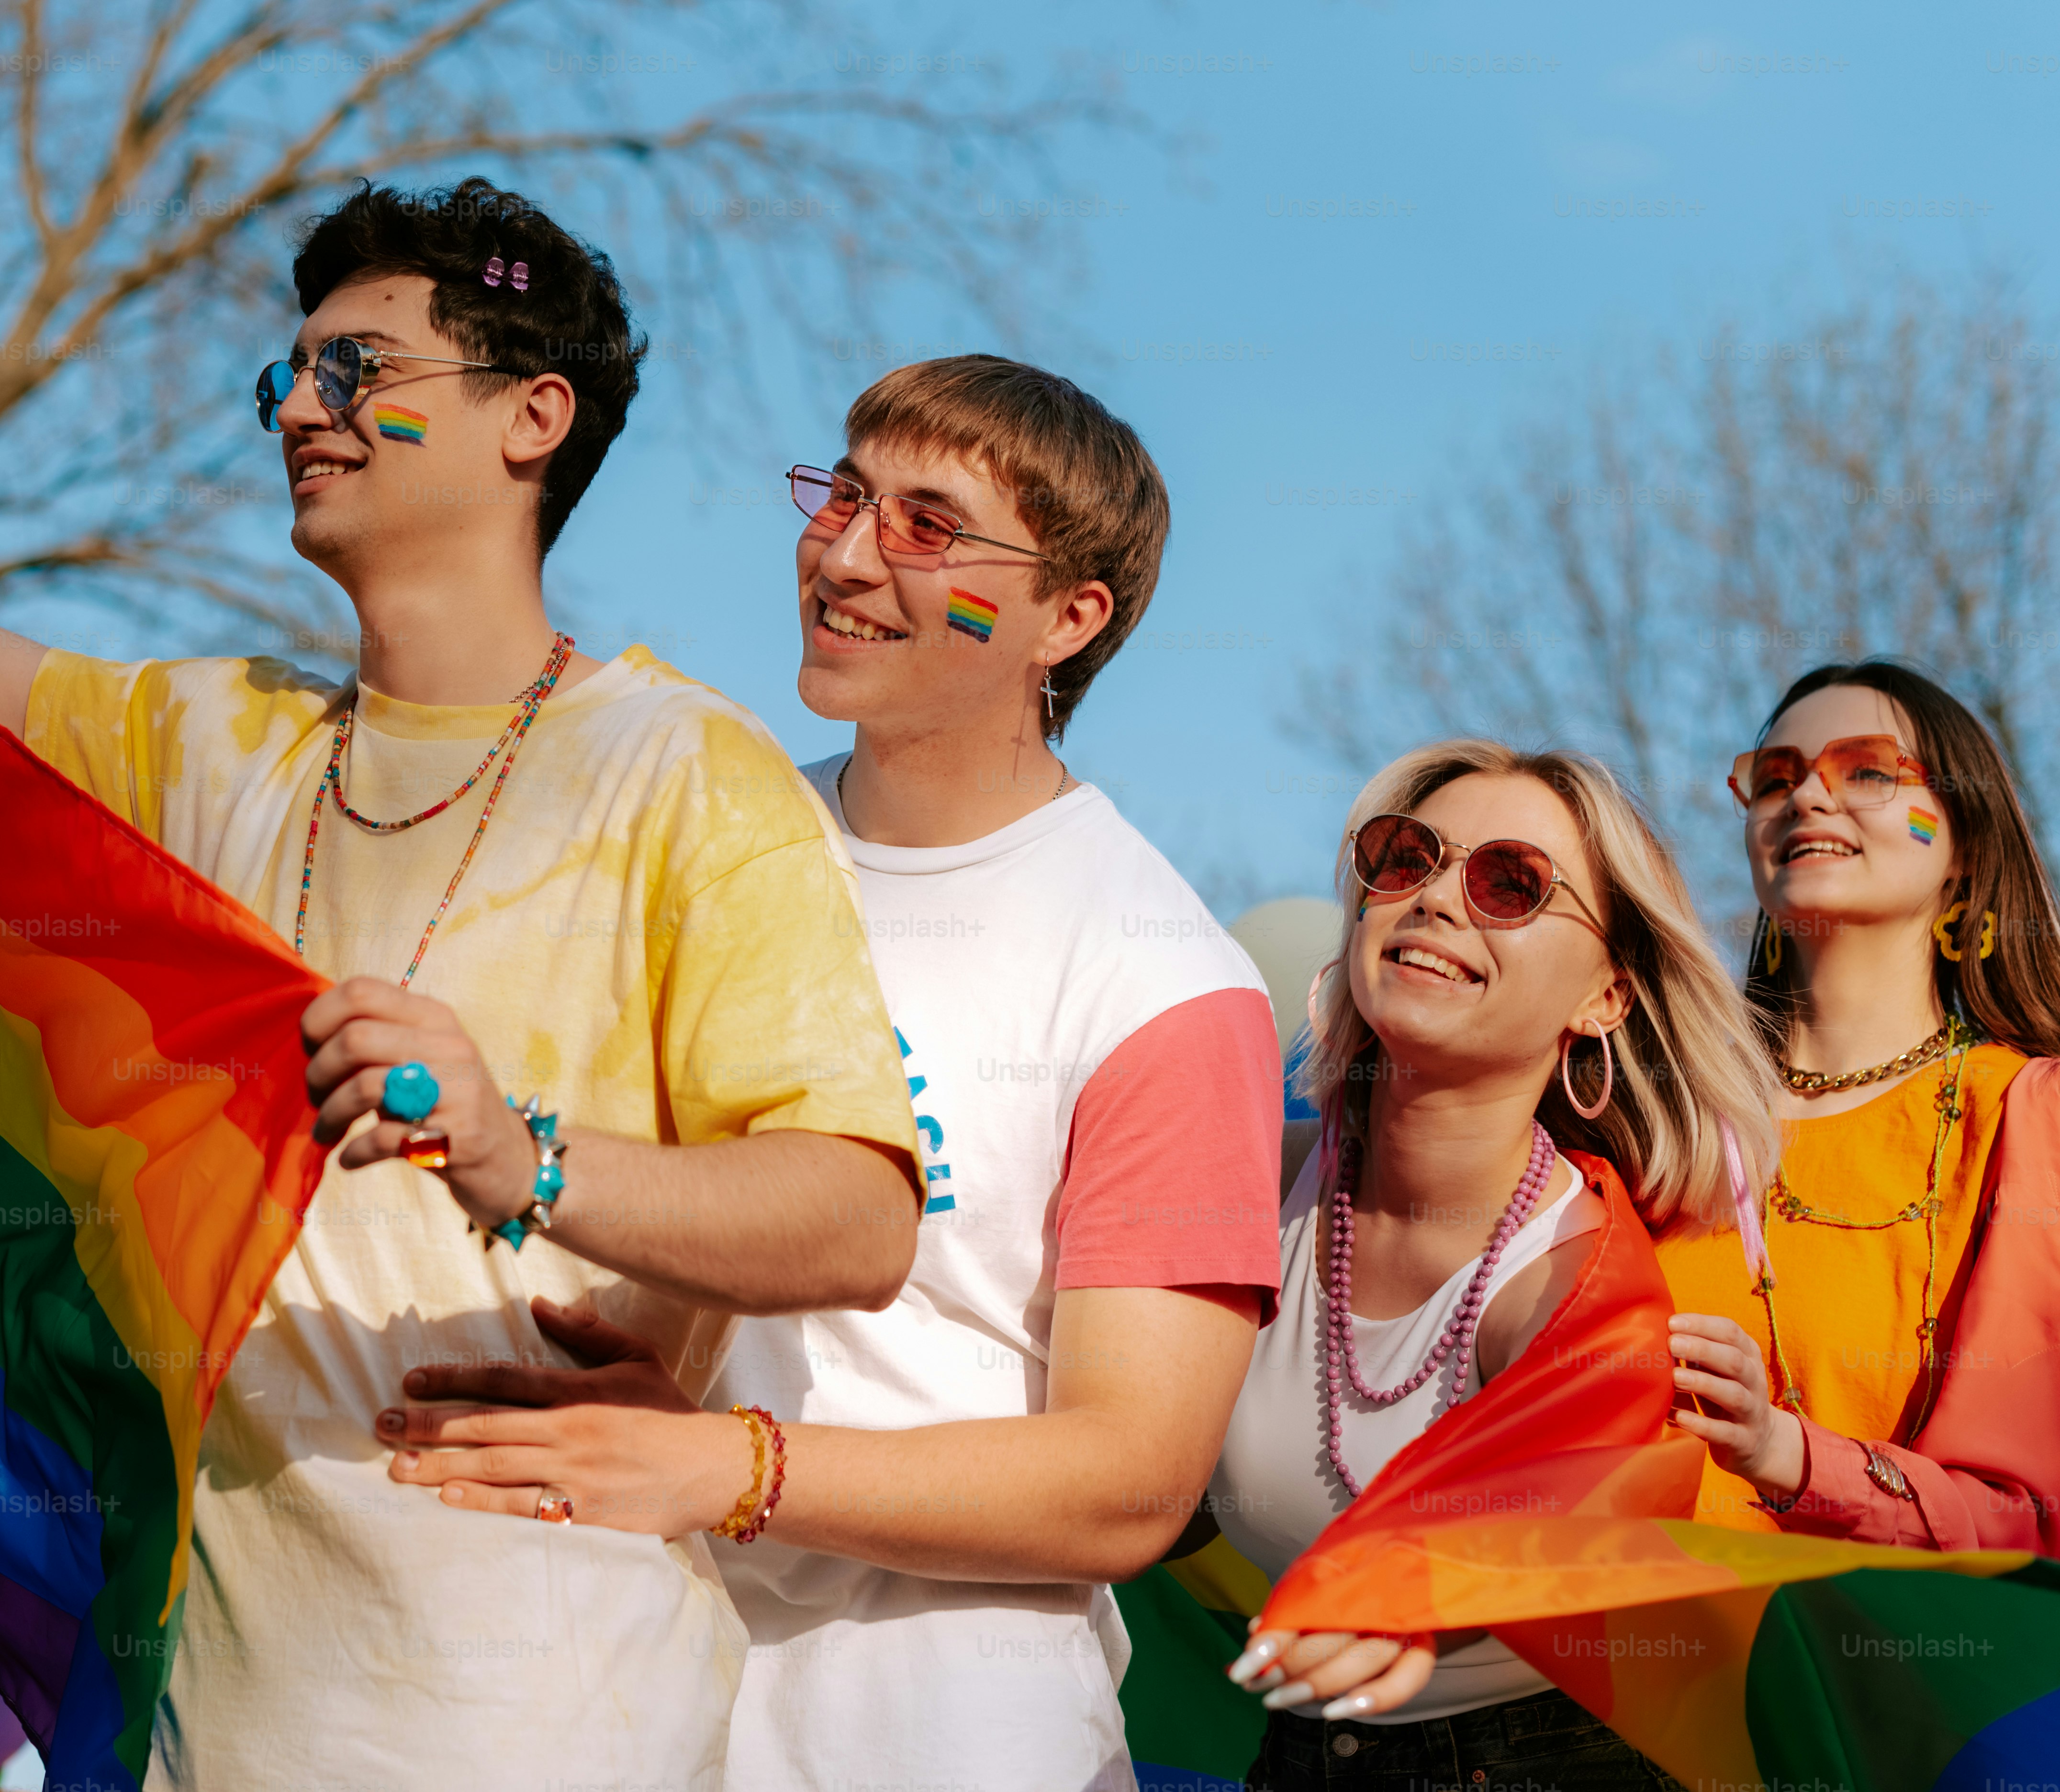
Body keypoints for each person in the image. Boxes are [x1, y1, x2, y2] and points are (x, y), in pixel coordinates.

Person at [0, 181, 929, 1790]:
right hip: (198, 1720)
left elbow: (854, 1212)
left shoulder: (681, 773)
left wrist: (528, 1155)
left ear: (533, 415)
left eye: (360, 370)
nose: (302, 406)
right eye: (287, 376)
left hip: (541, 1711)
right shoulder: (212, 737)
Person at [368, 355, 1286, 1791]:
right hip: (606, 1682)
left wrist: (735, 1470)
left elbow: (1130, 1482)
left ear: (1071, 615)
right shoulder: (705, 843)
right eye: (845, 495)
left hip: (948, 1721)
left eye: (928, 524)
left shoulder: (1165, 978)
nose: (846, 553)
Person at [1209, 742, 1776, 1788]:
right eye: (1404, 857)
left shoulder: (1582, 1293)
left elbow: (1552, 1545)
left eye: (1508, 884)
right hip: (1294, 1751)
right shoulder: (1242, 1193)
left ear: (1604, 995)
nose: (1433, 898)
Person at [1661, 661, 2060, 1548]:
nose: (1806, 796)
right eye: (1774, 777)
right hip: (1636, 1664)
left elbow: (2032, 1521)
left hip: (1933, 1671)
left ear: (1965, 841)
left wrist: (1792, 1457)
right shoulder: (1661, 1113)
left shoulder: (2029, 1116)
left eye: (1868, 770)